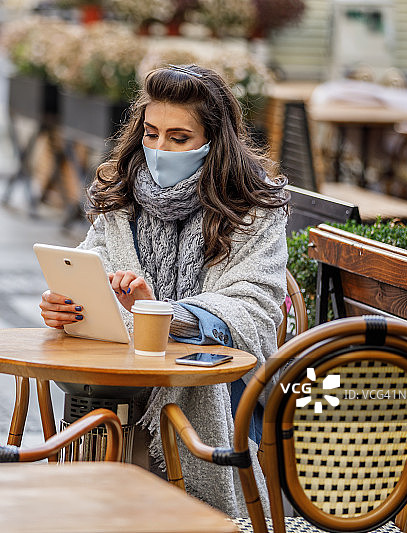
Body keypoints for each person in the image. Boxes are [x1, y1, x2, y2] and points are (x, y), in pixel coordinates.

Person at [39, 64, 288, 517]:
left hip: (217, 393)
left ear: (215, 141)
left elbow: (256, 312)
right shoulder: (120, 194)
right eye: (151, 133)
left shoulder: (253, 210)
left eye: (178, 138)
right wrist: (68, 308)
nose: (158, 148)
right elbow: (91, 278)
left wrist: (164, 313)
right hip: (118, 390)